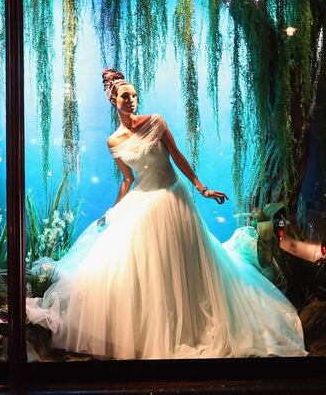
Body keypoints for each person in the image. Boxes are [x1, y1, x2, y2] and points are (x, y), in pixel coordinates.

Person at [25, 68, 307, 359]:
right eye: (125, 96)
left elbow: (177, 155)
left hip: (172, 196)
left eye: (134, 95)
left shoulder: (156, 122)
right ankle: (146, 330)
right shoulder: (113, 141)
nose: (132, 100)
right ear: (113, 99)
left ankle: (191, 326)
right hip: (141, 200)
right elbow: (127, 179)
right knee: (135, 266)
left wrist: (201, 187)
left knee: (185, 262)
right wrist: (112, 210)